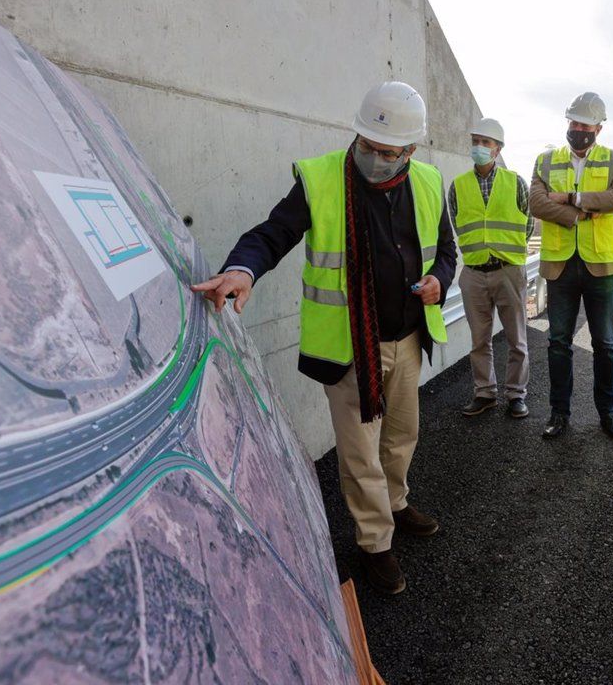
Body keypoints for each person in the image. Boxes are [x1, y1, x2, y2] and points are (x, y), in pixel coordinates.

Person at [191, 82, 457, 596]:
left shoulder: (427, 182)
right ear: (355, 135)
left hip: (407, 338)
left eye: (387, 153)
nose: (375, 159)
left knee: (402, 437)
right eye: (367, 146)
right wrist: (243, 269)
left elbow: (446, 250)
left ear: (411, 152)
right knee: (361, 453)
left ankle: (396, 504)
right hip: (350, 345)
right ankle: (374, 542)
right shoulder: (320, 179)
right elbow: (273, 233)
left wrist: (439, 281)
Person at [529, 92, 613, 440]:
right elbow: (537, 204)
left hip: (600, 264)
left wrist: (571, 198)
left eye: (584, 125)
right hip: (560, 265)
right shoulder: (545, 160)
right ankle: (559, 413)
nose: (577, 130)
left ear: (598, 128)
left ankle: (609, 412)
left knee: (605, 342)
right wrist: (579, 215)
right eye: (573, 123)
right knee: (558, 342)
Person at [449, 117, 534, 419]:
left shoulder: (516, 182)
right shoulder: (458, 186)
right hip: (473, 273)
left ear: (498, 149)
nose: (479, 147)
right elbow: (457, 224)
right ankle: (484, 393)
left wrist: (504, 251)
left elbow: (528, 224)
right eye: (476, 141)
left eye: (486, 143)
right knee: (479, 340)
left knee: (517, 338)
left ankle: (516, 395)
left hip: (508, 270)